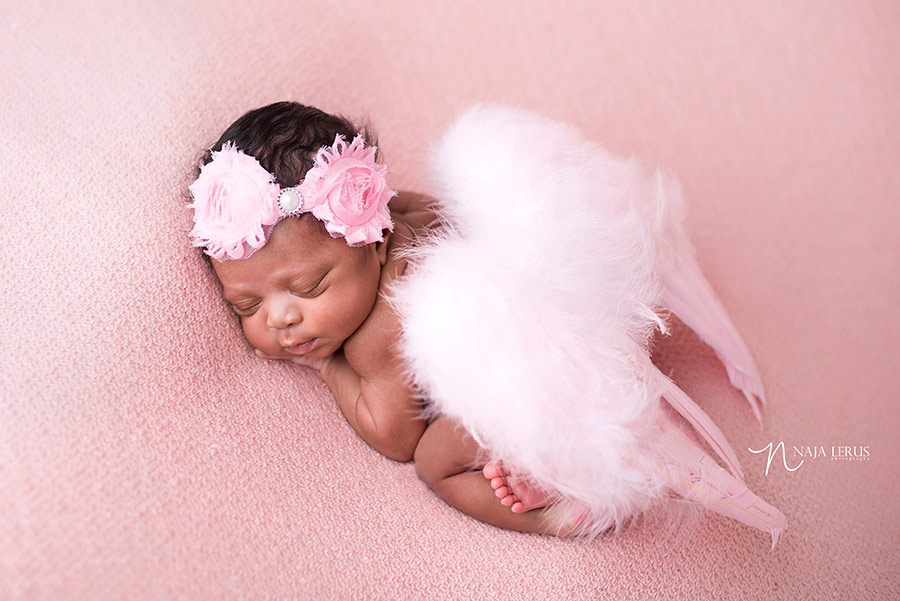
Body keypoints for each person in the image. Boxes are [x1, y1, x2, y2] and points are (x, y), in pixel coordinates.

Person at [188, 101, 565, 535]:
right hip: (561, 332)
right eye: (247, 306)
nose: (281, 318)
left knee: (435, 462)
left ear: (377, 240)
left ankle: (564, 514)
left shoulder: (378, 335)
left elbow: (395, 438)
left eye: (309, 287)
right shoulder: (411, 213)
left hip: (530, 396)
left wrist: (328, 365)